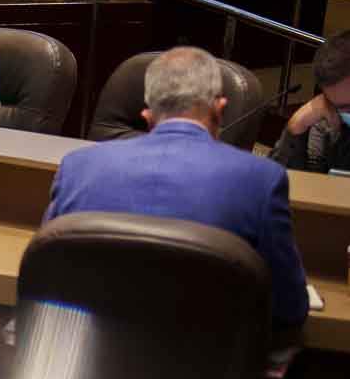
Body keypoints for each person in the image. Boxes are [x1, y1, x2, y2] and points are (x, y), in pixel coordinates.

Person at [46, 47, 309, 331]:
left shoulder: (77, 167)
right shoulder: (263, 180)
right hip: (209, 367)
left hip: (90, 365)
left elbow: (46, 276)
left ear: (147, 115)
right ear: (219, 110)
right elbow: (290, 307)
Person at [272, 31, 350, 176]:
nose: (346, 113)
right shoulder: (330, 122)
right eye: (341, 107)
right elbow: (276, 185)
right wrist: (297, 126)